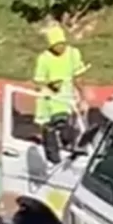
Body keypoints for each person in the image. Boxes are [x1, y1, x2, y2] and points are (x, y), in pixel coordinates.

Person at [33, 25, 90, 162]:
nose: (60, 48)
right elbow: (38, 82)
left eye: (62, 44)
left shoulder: (73, 54)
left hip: (67, 96)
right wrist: (50, 85)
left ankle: (73, 150)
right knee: (50, 128)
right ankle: (53, 157)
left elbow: (78, 77)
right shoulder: (44, 59)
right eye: (56, 46)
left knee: (69, 128)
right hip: (50, 98)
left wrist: (83, 97)